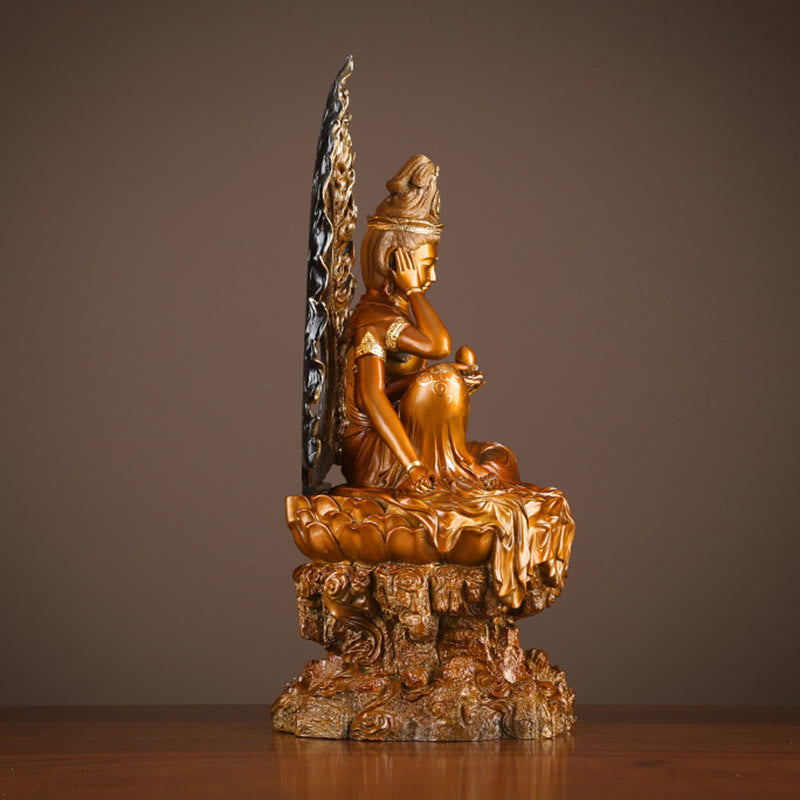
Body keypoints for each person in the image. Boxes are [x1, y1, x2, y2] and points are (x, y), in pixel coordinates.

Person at [334, 155, 574, 607]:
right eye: (424, 265)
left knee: (499, 461)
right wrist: (412, 466)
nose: (432, 276)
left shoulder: (396, 314)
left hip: (403, 442)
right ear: (393, 262)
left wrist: (441, 382)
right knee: (442, 377)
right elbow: (381, 390)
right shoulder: (373, 320)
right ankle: (442, 472)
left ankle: (452, 466)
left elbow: (394, 389)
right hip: (378, 455)